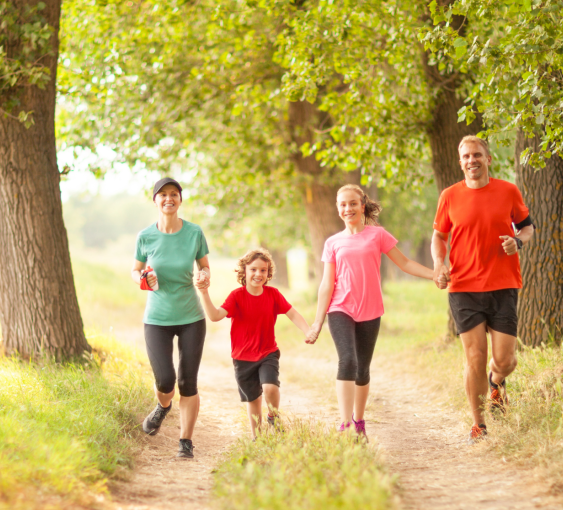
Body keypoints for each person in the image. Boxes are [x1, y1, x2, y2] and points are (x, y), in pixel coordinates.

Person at [308, 184, 436, 439]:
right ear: (337, 209)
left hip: (370, 309)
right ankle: (345, 425)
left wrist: (434, 275)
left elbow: (405, 262)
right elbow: (326, 284)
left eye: (352, 203)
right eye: (342, 205)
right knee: (348, 361)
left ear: (362, 205)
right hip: (340, 307)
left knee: (363, 369)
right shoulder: (332, 242)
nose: (348, 209)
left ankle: (359, 422)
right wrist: (317, 323)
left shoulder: (377, 235)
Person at [431, 135, 536, 442]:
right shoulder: (449, 196)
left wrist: (517, 241)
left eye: (477, 155)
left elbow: (527, 227)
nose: (471, 160)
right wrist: (440, 264)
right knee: (475, 356)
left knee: (504, 360)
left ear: (488, 159)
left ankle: (496, 380)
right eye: (465, 156)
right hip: (463, 287)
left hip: (503, 285)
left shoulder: (508, 191)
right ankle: (479, 424)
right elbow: (438, 236)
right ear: (460, 162)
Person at [195, 248, 314, 438]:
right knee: (254, 401)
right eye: (253, 269)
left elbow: (292, 313)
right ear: (244, 271)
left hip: (267, 352)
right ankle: (257, 439)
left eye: (263, 270)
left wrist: (308, 330)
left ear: (268, 273)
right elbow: (215, 316)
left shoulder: (273, 294)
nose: (258, 274)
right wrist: (204, 293)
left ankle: (273, 417)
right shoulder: (237, 296)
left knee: (270, 387)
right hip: (242, 358)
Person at [132, 177, 211, 459]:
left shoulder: (194, 232)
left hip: (191, 316)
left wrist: (204, 275)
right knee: (166, 380)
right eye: (162, 194)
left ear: (180, 199)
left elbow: (204, 265)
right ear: (155, 200)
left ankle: (185, 441)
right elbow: (136, 270)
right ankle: (163, 407)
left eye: (174, 194)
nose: (168, 199)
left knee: (188, 383)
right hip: (157, 318)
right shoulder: (145, 236)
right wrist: (142, 277)